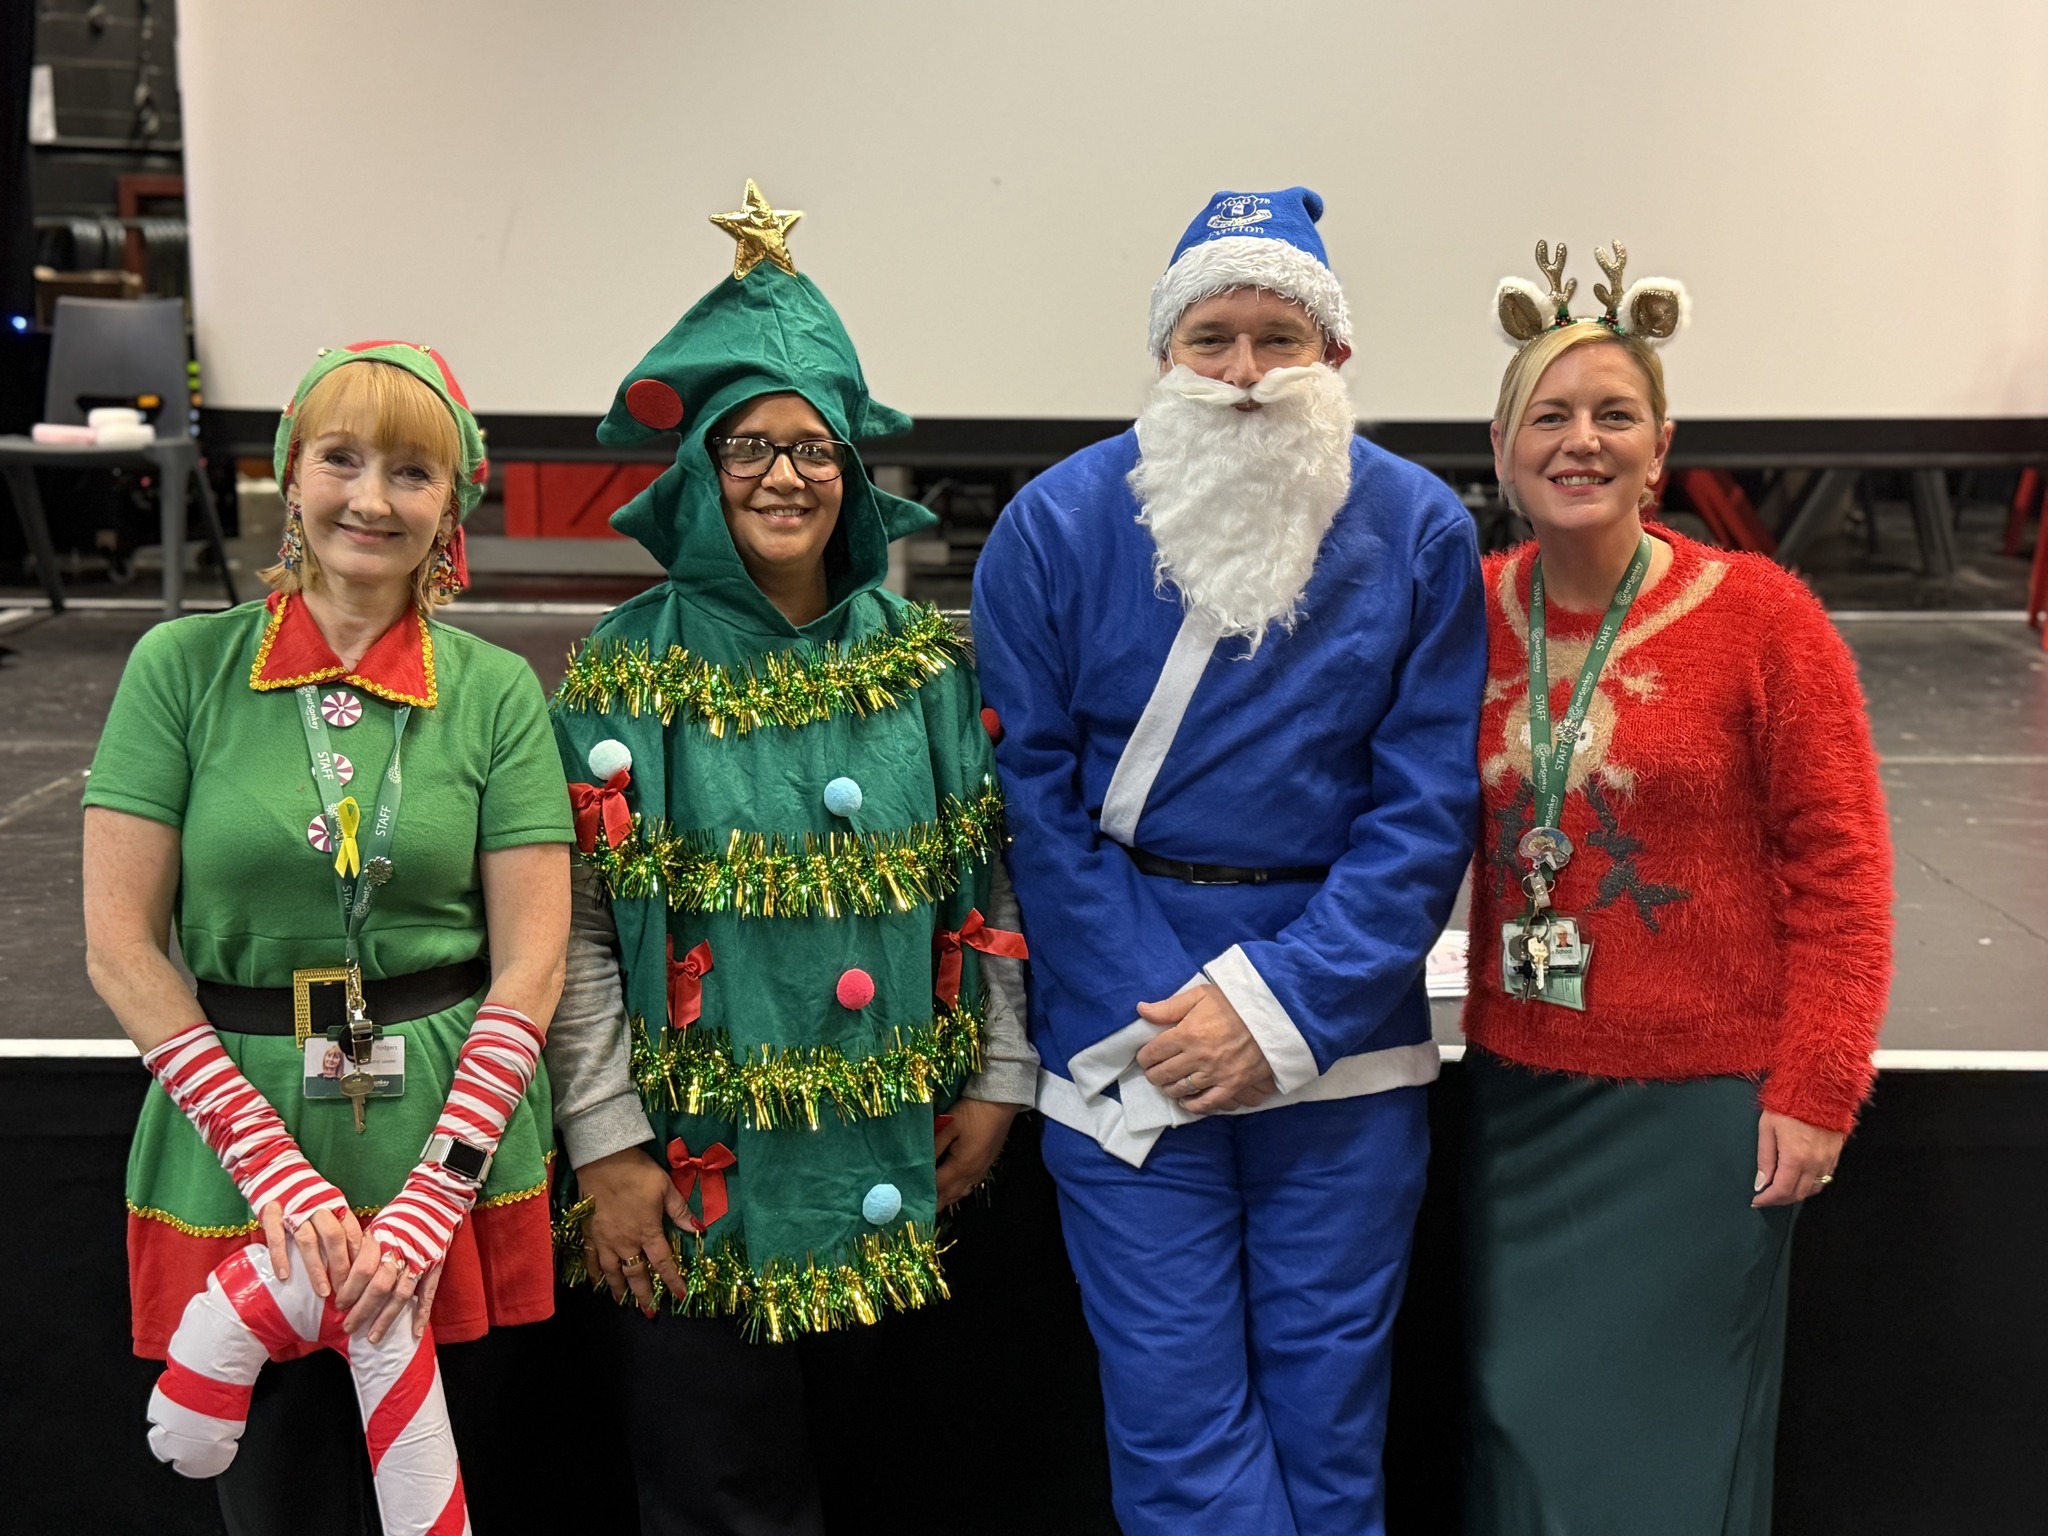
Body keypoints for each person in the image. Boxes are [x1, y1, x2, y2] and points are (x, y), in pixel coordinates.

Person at [972, 186, 1486, 1536]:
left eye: (1281, 337)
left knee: (1329, 1422)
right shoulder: (1053, 525)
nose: (1248, 373)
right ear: (1165, 356)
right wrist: (1171, 1021)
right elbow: (1034, 790)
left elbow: (1426, 806)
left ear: (1337, 359)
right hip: (1127, 1034)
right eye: (1214, 337)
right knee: (1177, 1423)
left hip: (1343, 1039)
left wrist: (1277, 1010)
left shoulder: (1421, 529)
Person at [542, 182, 1034, 1536]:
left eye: (815, 450)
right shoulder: (623, 671)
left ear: (854, 476)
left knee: (884, 1478)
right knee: (718, 1492)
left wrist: (998, 1075)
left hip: (895, 1162)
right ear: (700, 470)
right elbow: (578, 931)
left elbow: (987, 884)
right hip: (689, 1179)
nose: (784, 476)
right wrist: (607, 1143)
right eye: (749, 446)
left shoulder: (926, 664)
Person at [81, 342, 573, 1535]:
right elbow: (119, 947)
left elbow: (533, 961)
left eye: (412, 472)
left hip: (448, 1145)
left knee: (456, 1491)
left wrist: (434, 1194)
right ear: (288, 477)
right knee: (280, 1504)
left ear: (452, 504)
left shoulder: (497, 688)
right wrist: (269, 1165)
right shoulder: (180, 668)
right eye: (341, 460)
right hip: (238, 1140)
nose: (371, 498)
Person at [1460, 241, 1892, 1535]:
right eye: (1551, 415)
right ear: (1503, 448)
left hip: (1705, 1115)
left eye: (1614, 415)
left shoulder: (1765, 618)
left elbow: (1846, 869)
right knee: (1515, 1416)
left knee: (1665, 1453)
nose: (1580, 440)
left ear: (1662, 448)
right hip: (1520, 1096)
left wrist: (1818, 1087)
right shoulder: (1468, 610)